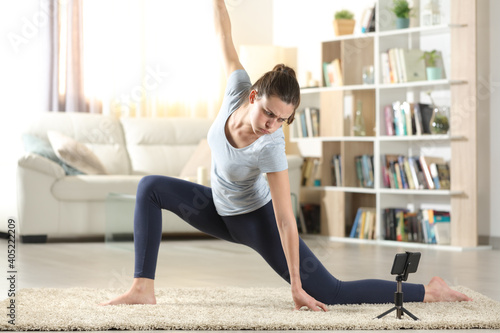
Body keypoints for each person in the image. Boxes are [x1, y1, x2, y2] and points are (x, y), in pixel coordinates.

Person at [100, 0, 471, 310]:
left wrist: (296, 284)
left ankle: (430, 290)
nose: (271, 124)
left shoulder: (271, 146)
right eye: (267, 113)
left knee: (331, 292)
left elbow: (284, 220)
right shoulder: (236, 89)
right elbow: (224, 37)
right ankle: (142, 289)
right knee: (150, 187)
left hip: (253, 220)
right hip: (215, 207)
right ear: (251, 97)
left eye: (282, 119)